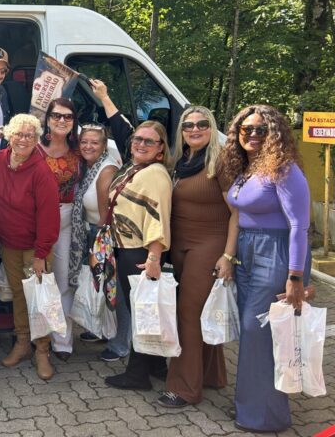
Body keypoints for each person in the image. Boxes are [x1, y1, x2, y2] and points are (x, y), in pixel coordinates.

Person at [223, 105, 311, 433]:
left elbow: (299, 225)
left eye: (261, 129)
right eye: (246, 129)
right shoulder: (248, 168)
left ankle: (265, 417)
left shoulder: (284, 169)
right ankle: (251, 406)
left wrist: (296, 276)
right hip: (248, 252)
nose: (253, 135)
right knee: (253, 335)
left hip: (275, 253)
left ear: (274, 133)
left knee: (258, 332)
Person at [90, 78, 172, 391]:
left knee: (140, 313)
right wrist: (104, 97)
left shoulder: (155, 175)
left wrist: (154, 258)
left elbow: (158, 220)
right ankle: (157, 367)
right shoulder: (135, 167)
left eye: (149, 141)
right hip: (126, 250)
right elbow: (122, 128)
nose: (140, 144)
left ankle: (137, 376)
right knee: (142, 308)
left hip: (140, 253)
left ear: (161, 149)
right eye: (137, 139)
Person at [157, 106, 233, 408]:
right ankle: (212, 375)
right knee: (200, 312)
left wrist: (228, 254)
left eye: (202, 124)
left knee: (187, 314)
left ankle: (184, 388)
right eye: (188, 125)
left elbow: (238, 213)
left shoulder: (222, 161)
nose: (195, 129)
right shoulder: (181, 161)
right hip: (181, 246)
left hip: (209, 245)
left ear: (211, 128)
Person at [0, 113, 60, 380]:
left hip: (35, 247)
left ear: (36, 139)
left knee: (40, 299)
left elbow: (49, 216)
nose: (23, 139)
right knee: (19, 295)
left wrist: (41, 254)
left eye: (30, 135)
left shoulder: (41, 171)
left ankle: (42, 350)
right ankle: (22, 343)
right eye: (19, 134)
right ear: (9, 135)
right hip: (9, 243)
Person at [70, 123, 127, 361]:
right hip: (91, 231)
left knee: (114, 290)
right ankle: (103, 330)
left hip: (105, 235)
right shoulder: (88, 167)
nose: (88, 146)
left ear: (104, 145)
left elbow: (107, 216)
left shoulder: (106, 170)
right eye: (84, 142)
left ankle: (120, 343)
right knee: (101, 287)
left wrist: (100, 248)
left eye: (94, 142)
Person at [38, 98, 83, 361]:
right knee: (38, 280)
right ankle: (38, 340)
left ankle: (62, 341)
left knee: (63, 280)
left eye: (68, 116)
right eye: (56, 115)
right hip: (36, 220)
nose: (62, 120)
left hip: (66, 219)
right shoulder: (33, 147)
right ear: (47, 118)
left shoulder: (80, 149)